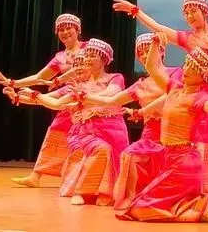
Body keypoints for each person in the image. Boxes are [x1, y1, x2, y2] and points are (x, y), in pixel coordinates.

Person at [112, 0, 208, 194]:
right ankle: (198, 182)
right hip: (197, 89)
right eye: (186, 13)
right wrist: (136, 11)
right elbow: (158, 27)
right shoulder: (186, 38)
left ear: (205, 12)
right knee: (199, 132)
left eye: (194, 11)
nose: (190, 16)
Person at [118, 33, 208, 222]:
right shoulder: (175, 88)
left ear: (202, 76)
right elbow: (152, 68)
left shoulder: (200, 97)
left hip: (185, 162)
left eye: (192, 68)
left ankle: (191, 212)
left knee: (138, 209)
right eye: (187, 64)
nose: (185, 69)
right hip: (169, 157)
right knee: (139, 204)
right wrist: (155, 44)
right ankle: (192, 209)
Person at [10, 39, 129, 206]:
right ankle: (83, 191)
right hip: (89, 131)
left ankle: (104, 193)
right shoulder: (78, 87)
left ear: (104, 59)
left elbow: (111, 94)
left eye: (92, 56)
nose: (88, 59)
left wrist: (86, 97)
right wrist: (30, 95)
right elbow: (56, 103)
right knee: (101, 150)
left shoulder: (115, 78)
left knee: (114, 160)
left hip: (114, 130)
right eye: (87, 56)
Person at [81, 33, 179, 209]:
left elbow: (170, 96)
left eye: (147, 50)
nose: (144, 55)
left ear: (161, 51)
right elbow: (112, 100)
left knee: (168, 162)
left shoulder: (175, 73)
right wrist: (84, 97)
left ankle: (165, 198)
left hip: (174, 130)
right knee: (130, 155)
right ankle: (135, 198)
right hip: (151, 132)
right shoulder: (140, 84)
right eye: (140, 53)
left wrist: (142, 111)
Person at [0, 13, 87, 187]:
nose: (65, 32)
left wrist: (59, 80)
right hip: (69, 94)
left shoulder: (88, 48)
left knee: (83, 139)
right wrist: (13, 83)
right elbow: (39, 77)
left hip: (89, 94)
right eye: (61, 29)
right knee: (55, 132)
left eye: (69, 28)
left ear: (78, 30)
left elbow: (82, 68)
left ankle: (82, 177)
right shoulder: (60, 57)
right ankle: (36, 175)